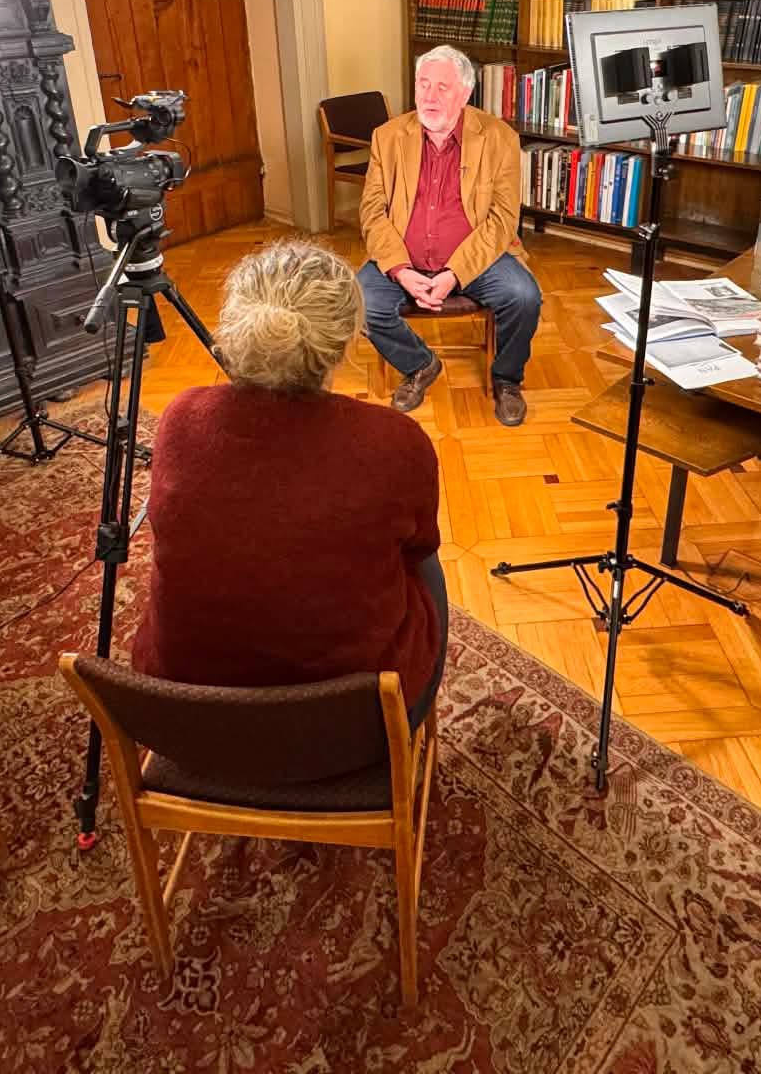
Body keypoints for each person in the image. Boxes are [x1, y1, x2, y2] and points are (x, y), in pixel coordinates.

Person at [132, 237, 447, 730]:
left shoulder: (181, 417)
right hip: (355, 725)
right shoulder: (395, 441)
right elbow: (420, 547)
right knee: (429, 567)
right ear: (345, 340)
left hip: (187, 715)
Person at [358, 44, 543, 427]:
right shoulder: (387, 137)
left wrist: (454, 274)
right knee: (358, 301)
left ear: (465, 93)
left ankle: (507, 379)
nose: (429, 96)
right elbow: (372, 213)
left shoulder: (499, 138)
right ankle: (420, 364)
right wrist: (400, 270)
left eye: (442, 87)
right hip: (403, 256)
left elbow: (502, 219)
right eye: (423, 84)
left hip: (477, 258)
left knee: (524, 297)